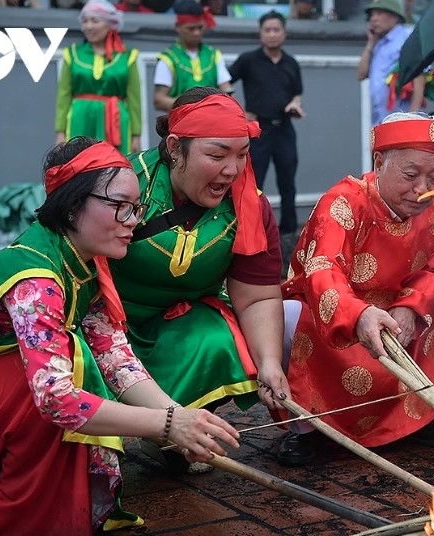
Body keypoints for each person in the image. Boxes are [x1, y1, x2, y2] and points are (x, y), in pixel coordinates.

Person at [0, 138, 241, 535]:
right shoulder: (38, 278)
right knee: (60, 374)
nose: (132, 220)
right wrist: (166, 425)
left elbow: (114, 354)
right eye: (119, 206)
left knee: (69, 365)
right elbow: (56, 399)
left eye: (135, 208)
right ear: (71, 204)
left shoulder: (86, 262)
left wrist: (180, 417)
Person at [277, 113, 434, 466]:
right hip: (334, 322)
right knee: (281, 316)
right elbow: (322, 270)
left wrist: (412, 305)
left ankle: (425, 410)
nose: (421, 190)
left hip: (398, 319)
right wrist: (361, 314)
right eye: (411, 175)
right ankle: (305, 428)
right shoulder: (344, 201)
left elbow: (431, 269)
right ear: (380, 162)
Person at [110, 88, 290, 449]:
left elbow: (255, 298)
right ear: (175, 148)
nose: (232, 170)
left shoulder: (249, 205)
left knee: (218, 338)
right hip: (104, 322)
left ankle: (176, 427)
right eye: (217, 154)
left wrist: (270, 363)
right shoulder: (124, 185)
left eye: (242, 155)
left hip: (177, 330)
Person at [229, 10, 305, 237]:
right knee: (253, 181)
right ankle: (251, 230)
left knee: (288, 182)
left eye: (276, 30)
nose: (272, 34)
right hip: (257, 130)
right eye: (267, 30)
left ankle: (288, 233)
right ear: (260, 34)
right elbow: (223, 84)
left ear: (284, 33)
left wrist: (295, 105)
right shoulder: (248, 60)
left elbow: (297, 94)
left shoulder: (291, 63)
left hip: (284, 128)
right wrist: (238, 112)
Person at [55, 0, 142, 154]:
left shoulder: (127, 56)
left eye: (95, 21)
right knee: (78, 161)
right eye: (85, 21)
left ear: (110, 24)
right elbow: (64, 96)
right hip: (80, 118)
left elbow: (134, 99)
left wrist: (136, 135)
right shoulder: (73, 54)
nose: (88, 26)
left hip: (115, 119)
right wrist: (60, 132)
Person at [154, 0, 233, 112]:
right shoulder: (168, 58)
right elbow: (159, 99)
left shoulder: (213, 55)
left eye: (200, 28)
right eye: (191, 29)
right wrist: (194, 107)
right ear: (178, 27)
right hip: (181, 121)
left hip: (212, 120)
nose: (196, 33)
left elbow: (227, 89)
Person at [357, 0, 424, 125]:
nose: (373, 19)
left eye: (379, 13)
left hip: (403, 119)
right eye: (371, 15)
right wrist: (370, 44)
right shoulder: (378, 43)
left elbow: (419, 75)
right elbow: (360, 75)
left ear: (394, 16)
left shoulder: (407, 37)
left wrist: (413, 117)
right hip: (381, 120)